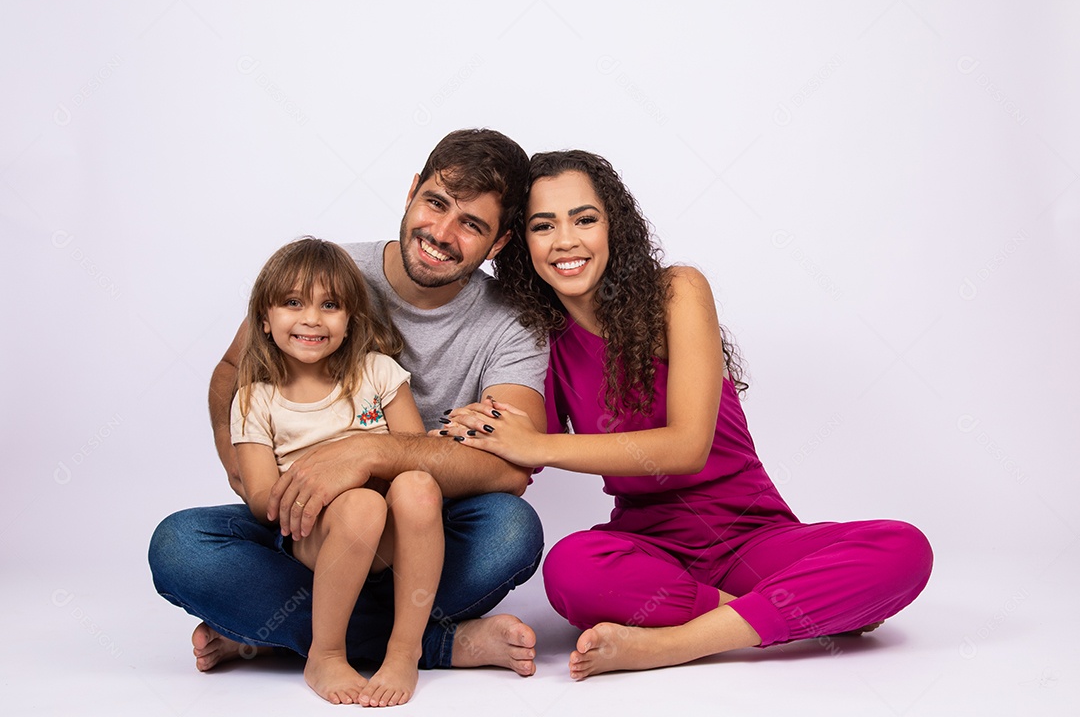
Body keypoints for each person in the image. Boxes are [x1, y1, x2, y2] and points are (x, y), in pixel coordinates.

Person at [441, 150, 934, 680]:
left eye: (585, 219)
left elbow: (685, 447)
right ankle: (786, 613)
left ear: (614, 227)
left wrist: (534, 445)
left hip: (753, 538)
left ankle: (676, 644)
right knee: (569, 569)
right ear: (522, 245)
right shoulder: (541, 341)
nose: (566, 240)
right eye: (543, 225)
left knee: (904, 549)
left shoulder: (676, 291)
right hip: (650, 546)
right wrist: (476, 429)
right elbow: (517, 448)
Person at [148, 129, 548, 691]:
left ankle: (276, 629)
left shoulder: (511, 323)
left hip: (418, 533)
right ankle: (438, 642)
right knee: (179, 545)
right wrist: (259, 479)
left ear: (500, 242)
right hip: (307, 526)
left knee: (510, 531)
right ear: (412, 192)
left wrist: (367, 451)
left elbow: (511, 465)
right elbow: (233, 374)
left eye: (471, 224)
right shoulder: (329, 277)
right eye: (435, 204)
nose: (441, 233)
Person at [231, 237, 441, 706]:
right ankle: (325, 653)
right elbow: (262, 501)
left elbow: (416, 454)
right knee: (361, 504)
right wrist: (325, 487)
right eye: (292, 303)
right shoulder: (255, 398)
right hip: (314, 535)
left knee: (420, 485)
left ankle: (404, 650)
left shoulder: (378, 373)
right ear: (263, 320)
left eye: (330, 305)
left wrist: (357, 465)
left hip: (392, 538)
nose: (311, 318)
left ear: (349, 321)